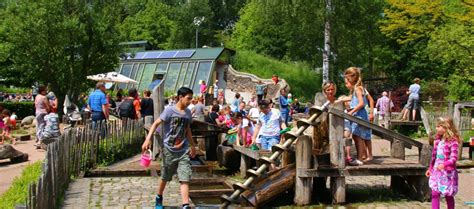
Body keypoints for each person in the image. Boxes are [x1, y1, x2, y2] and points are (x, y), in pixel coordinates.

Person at [141, 87, 196, 209]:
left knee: (185, 177)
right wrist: (147, 139)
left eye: (191, 98)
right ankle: (159, 196)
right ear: (181, 97)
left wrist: (192, 145)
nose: (190, 101)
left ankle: (185, 205)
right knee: (165, 176)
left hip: (183, 150)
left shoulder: (187, 113)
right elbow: (155, 123)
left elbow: (187, 129)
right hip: (169, 150)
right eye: (188, 98)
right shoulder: (169, 111)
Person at [426, 117, 459, 209]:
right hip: (436, 172)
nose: (436, 128)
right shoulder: (437, 141)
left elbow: (454, 158)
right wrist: (430, 168)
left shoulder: (453, 142)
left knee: (448, 194)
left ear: (446, 127)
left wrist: (444, 165)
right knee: (435, 193)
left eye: (439, 126)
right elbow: (434, 157)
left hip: (447, 173)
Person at [344, 67, 372, 162]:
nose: (346, 81)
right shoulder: (356, 89)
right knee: (356, 136)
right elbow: (351, 99)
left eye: (347, 79)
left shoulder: (358, 89)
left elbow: (361, 103)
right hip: (357, 115)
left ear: (352, 78)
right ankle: (360, 157)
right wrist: (339, 100)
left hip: (359, 115)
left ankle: (360, 158)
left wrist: (351, 112)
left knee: (358, 136)